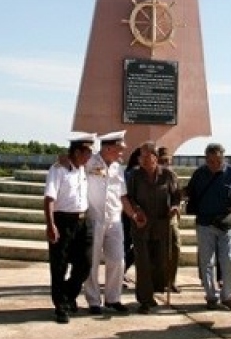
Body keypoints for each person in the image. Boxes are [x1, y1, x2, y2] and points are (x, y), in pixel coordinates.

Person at [43, 133, 97, 324]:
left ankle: (66, 294)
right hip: (62, 220)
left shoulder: (83, 167)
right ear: (76, 152)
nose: (90, 156)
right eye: (87, 152)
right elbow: (49, 199)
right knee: (60, 265)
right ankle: (61, 306)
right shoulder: (58, 169)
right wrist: (51, 225)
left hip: (82, 221)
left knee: (85, 263)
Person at [185, 143, 231, 311]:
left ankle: (227, 296)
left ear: (223, 158)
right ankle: (211, 296)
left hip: (226, 224)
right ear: (206, 159)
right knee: (206, 262)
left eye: (217, 161)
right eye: (210, 161)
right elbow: (190, 193)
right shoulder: (199, 174)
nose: (214, 165)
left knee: (229, 261)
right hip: (204, 223)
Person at [125, 141, 182, 314]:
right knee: (143, 263)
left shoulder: (168, 175)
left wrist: (175, 207)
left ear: (155, 158)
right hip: (141, 225)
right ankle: (145, 300)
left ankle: (155, 292)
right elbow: (128, 197)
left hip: (162, 225)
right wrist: (136, 209)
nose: (142, 159)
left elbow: (177, 197)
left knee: (159, 262)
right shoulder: (135, 175)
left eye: (145, 156)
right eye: (140, 156)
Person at [83, 131, 133, 314]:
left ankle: (113, 299)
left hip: (114, 220)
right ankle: (94, 301)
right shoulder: (89, 163)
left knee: (118, 260)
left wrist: (133, 215)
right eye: (120, 149)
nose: (122, 153)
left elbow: (123, 195)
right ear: (108, 147)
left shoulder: (118, 168)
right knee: (93, 262)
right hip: (93, 218)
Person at [158, 146, 182, 293]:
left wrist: (175, 206)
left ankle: (171, 280)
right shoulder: (148, 174)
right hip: (153, 218)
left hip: (169, 218)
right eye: (162, 161)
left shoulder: (172, 176)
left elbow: (177, 196)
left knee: (175, 246)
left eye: (167, 161)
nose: (165, 164)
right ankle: (157, 281)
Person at [121, 147, 141, 285]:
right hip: (131, 214)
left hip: (128, 214)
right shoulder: (133, 173)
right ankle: (121, 272)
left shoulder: (128, 172)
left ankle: (121, 272)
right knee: (131, 245)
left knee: (127, 245)